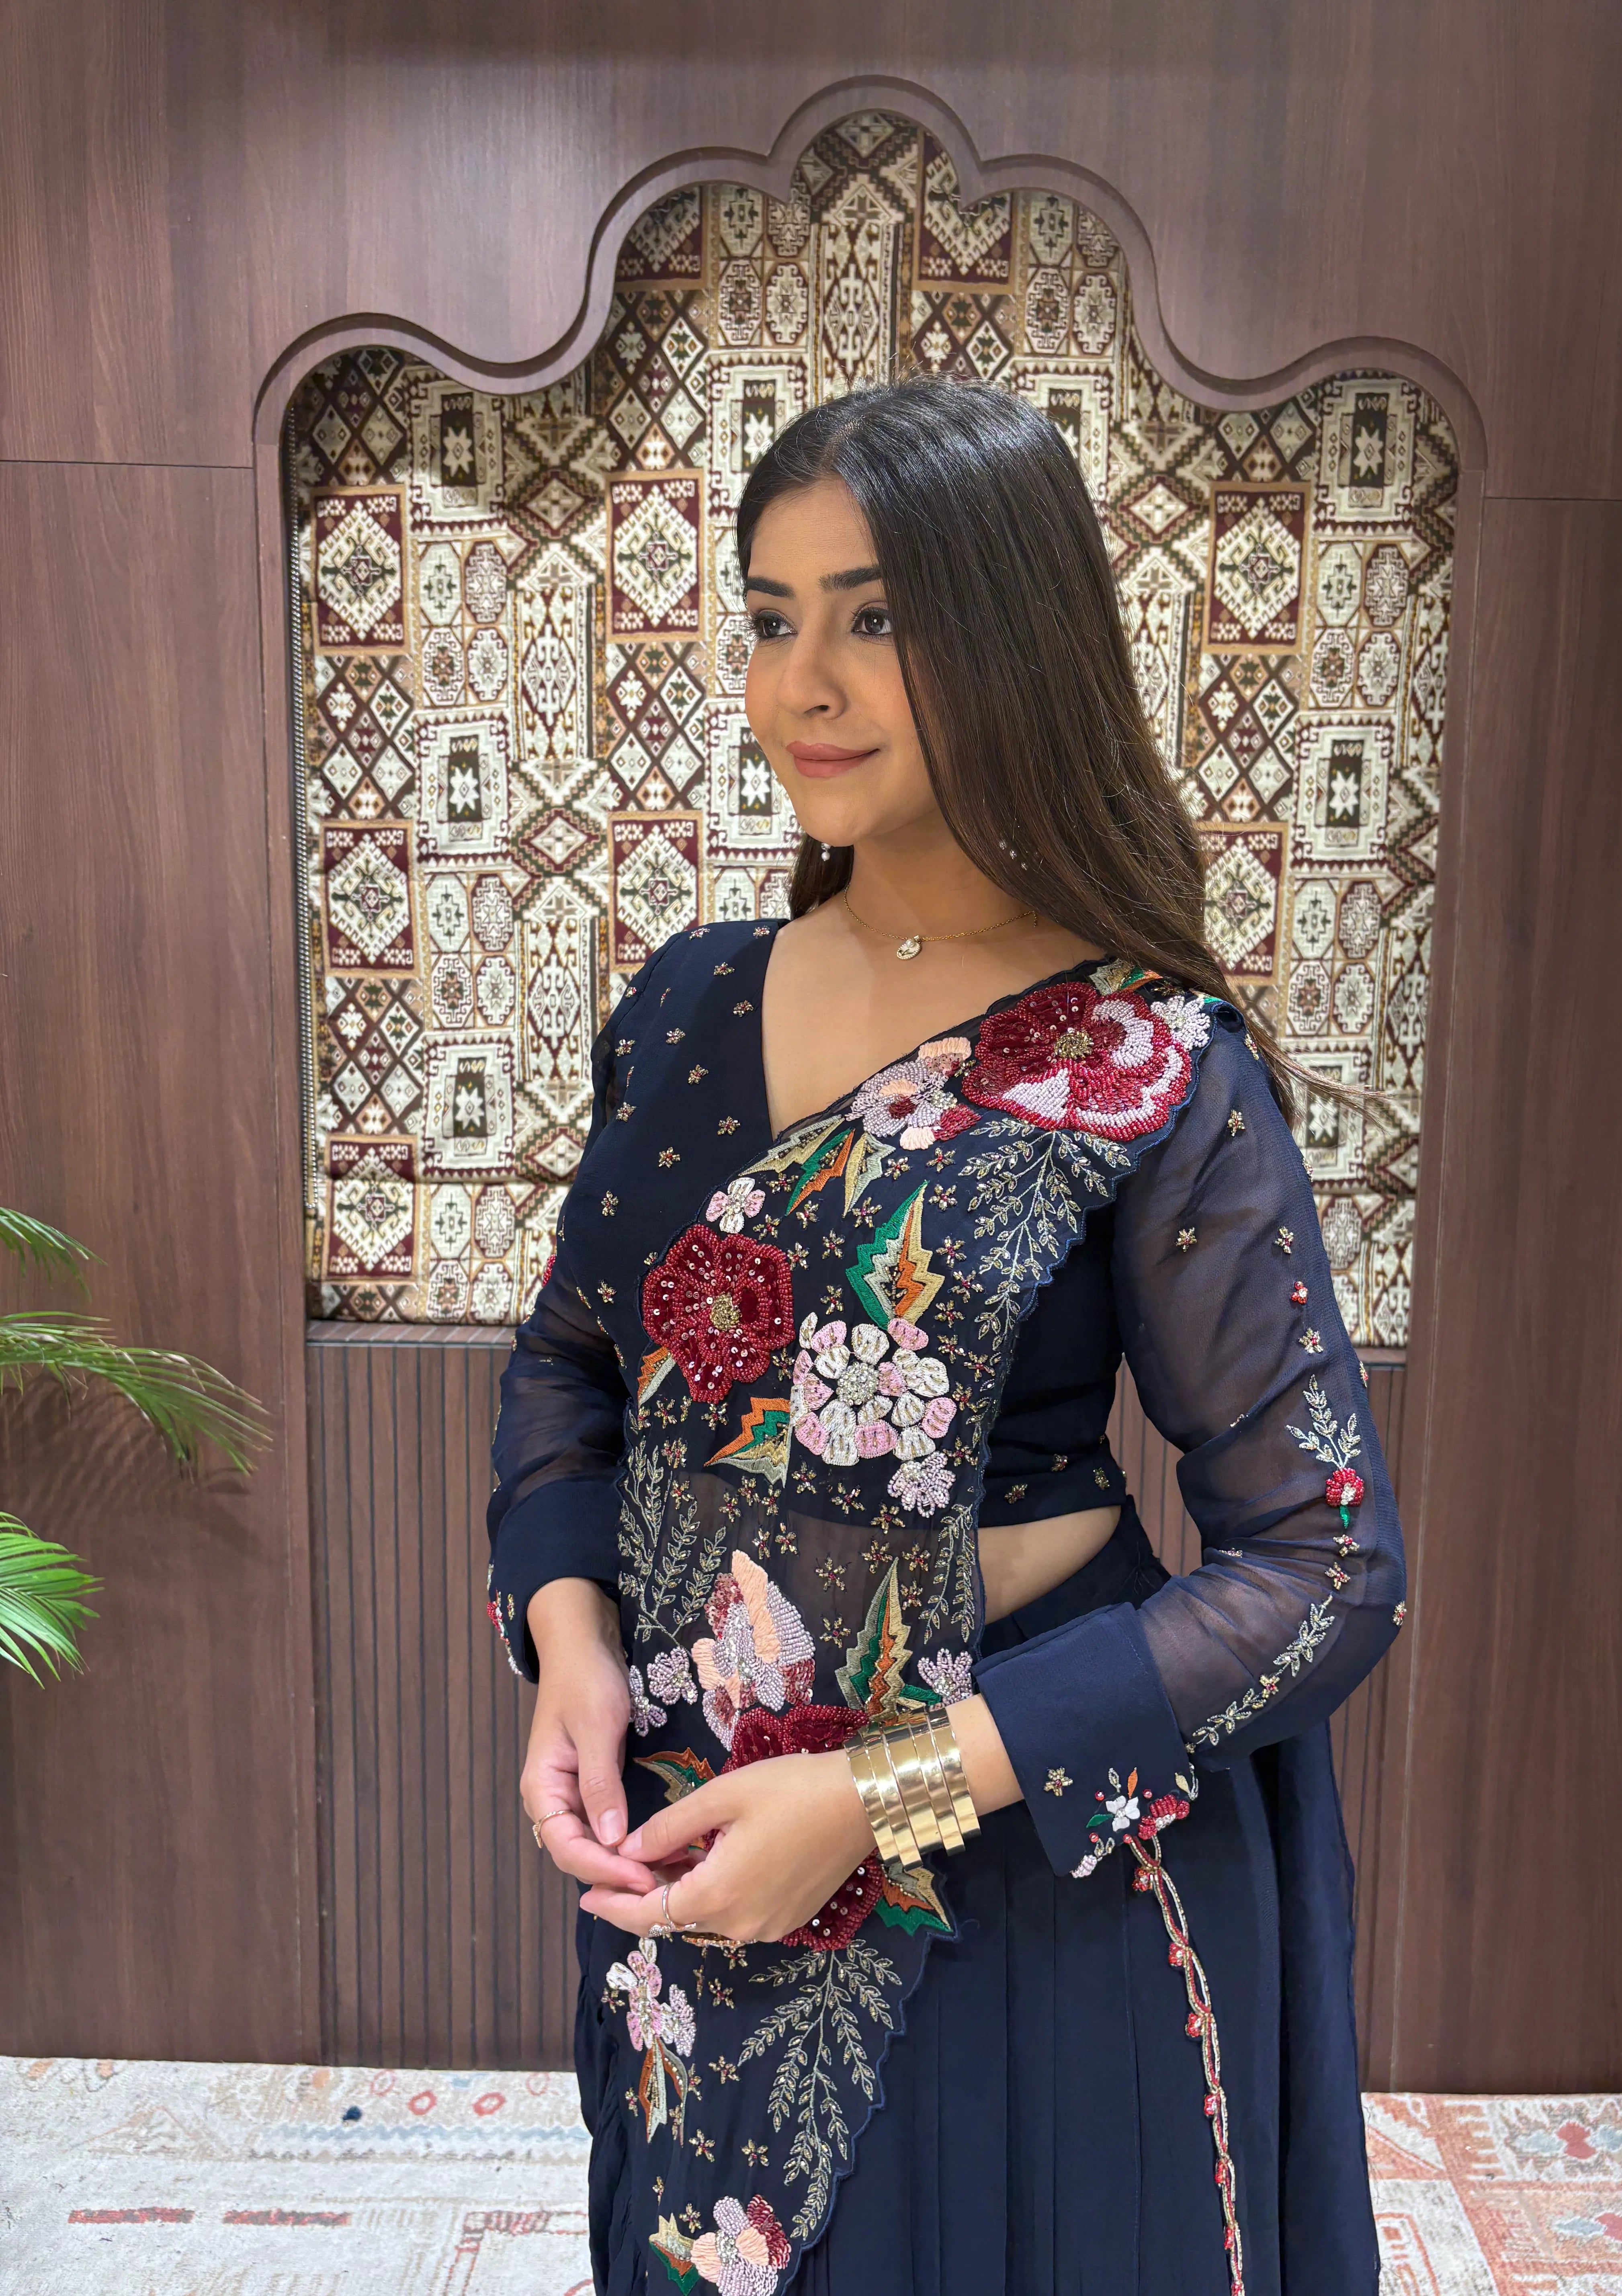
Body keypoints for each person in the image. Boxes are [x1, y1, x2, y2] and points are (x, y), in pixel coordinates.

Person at [486, 377, 1404, 2296]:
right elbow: (577, 1368)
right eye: (769, 613)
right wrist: (572, 1651)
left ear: (1013, 632)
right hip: (700, 1845)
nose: (803, 678)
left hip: (1016, 1880)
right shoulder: (688, 1004)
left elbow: (1325, 1572)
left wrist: (877, 1798)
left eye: (877, 614)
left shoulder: (1152, 1059)